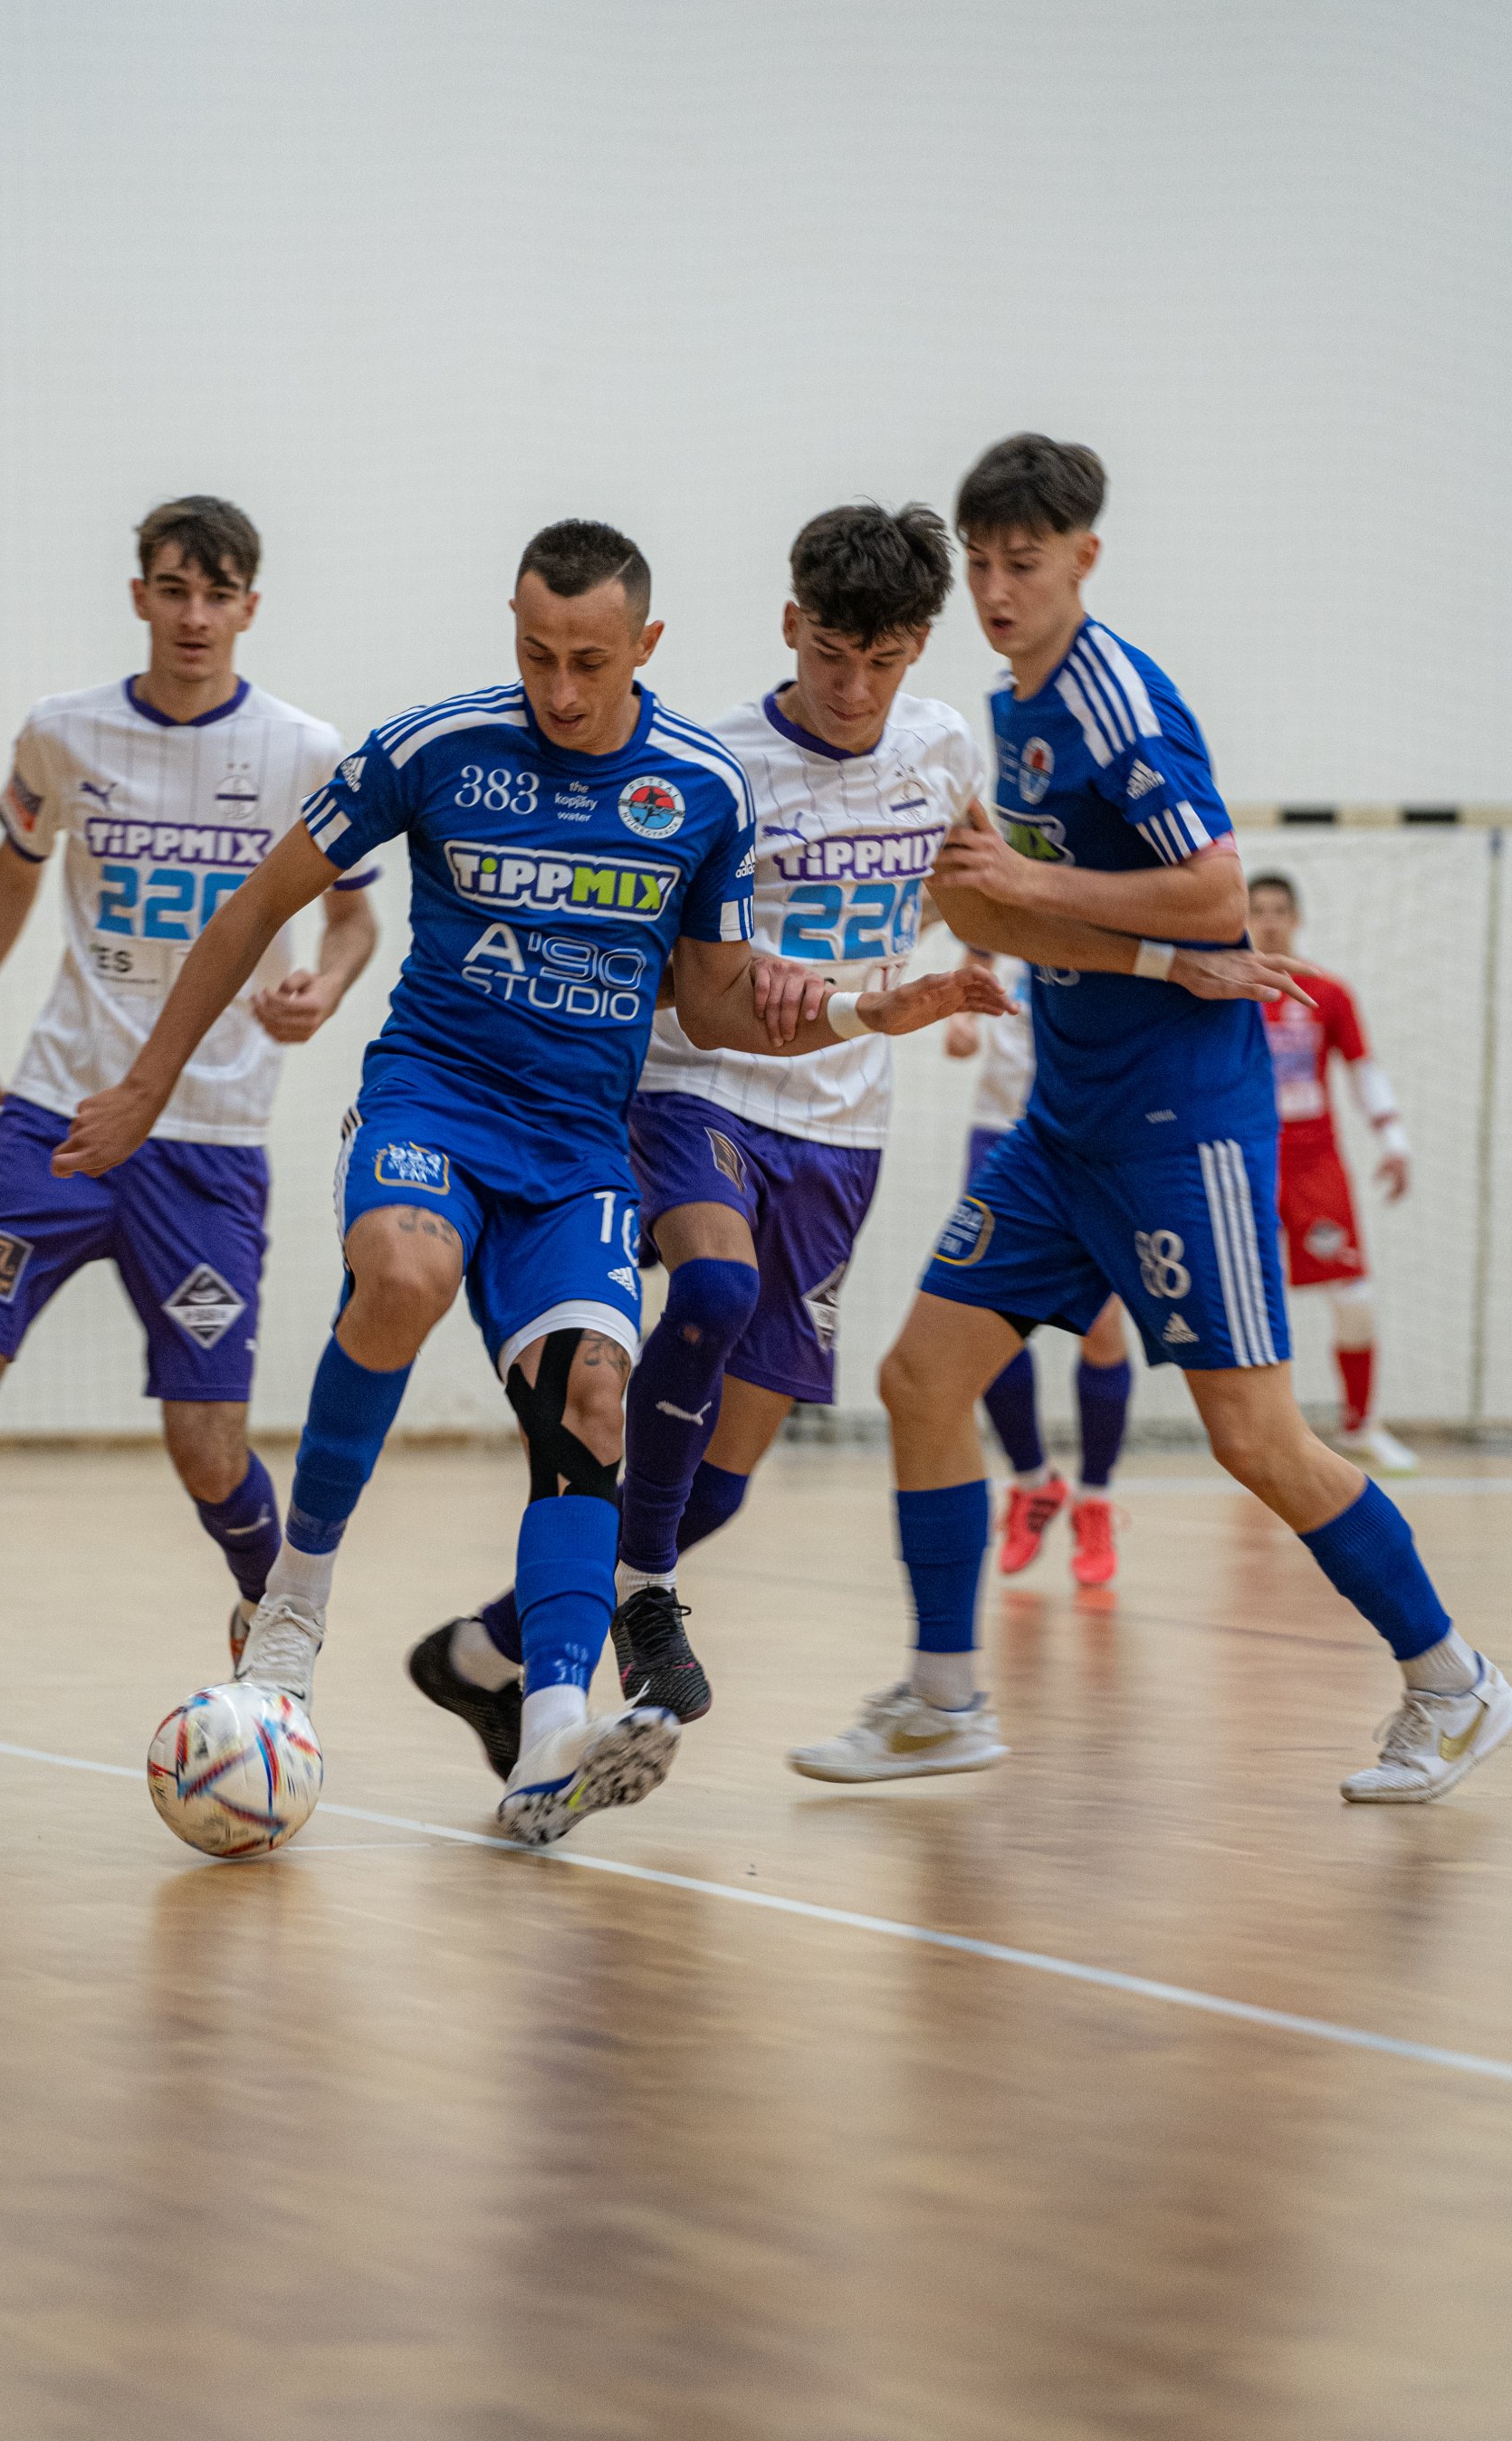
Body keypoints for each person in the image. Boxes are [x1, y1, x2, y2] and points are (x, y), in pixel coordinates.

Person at [53, 520, 1017, 1846]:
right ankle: (289, 1623)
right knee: (404, 1271)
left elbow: (721, 1005)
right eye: (536, 654)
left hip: (578, 1146)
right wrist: (152, 1083)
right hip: (434, 1102)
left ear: (646, 649)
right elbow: (255, 906)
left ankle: (553, 1730)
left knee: (596, 1398)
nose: (560, 690)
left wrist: (865, 1008)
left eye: (590, 661)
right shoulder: (434, 749)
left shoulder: (699, 790)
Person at [789, 433, 1510, 1806]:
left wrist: (1055, 902)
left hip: (1185, 1125)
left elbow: (1219, 893)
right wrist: (939, 911)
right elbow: (1019, 898)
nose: (1000, 590)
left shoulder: (1115, 701)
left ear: (1084, 560)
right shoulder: (1016, 701)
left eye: (1026, 564)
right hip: (1066, 1121)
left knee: (1256, 1441)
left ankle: (1455, 1683)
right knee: (921, 1381)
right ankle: (944, 1699)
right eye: (985, 564)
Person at [0, 497, 378, 1770]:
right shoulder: (66, 734)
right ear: (140, 596)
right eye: (173, 589)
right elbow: (13, 866)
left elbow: (351, 918)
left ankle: (269, 1647)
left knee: (207, 1444)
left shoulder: (303, 751)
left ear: (251, 609)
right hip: (55, 1119)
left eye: (218, 596)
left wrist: (321, 988)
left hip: (209, 1141)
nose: (195, 617)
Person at [412, 501, 994, 1759]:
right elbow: (657, 956)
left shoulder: (946, 747)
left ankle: (486, 1651)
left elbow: (956, 883)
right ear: (791, 626)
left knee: (726, 1467)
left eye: (883, 662)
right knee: (713, 1285)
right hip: (699, 1088)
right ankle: (635, 1607)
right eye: (831, 654)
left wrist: (977, 944)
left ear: (920, 651)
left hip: (844, 1128)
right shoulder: (715, 762)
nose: (853, 686)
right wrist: (752, 977)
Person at [945, 964, 1134, 1585]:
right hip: (1000, 1133)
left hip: (1090, 1138)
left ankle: (1095, 1499)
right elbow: (958, 989)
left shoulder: (1104, 910)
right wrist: (959, 1019)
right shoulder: (992, 919)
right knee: (982, 1323)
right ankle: (1032, 1483)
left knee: (1104, 1326)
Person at [1246, 871, 1416, 1475]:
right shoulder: (1226, 992)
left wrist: (1392, 1139)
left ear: (1296, 918)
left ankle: (1359, 1423)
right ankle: (1262, 1432)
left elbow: (1363, 1068)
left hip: (1316, 1162)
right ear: (1243, 918)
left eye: (1278, 910)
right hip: (1248, 1161)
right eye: (1257, 910)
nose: (1268, 920)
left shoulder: (1328, 992)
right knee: (1252, 1302)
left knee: (1355, 1297)